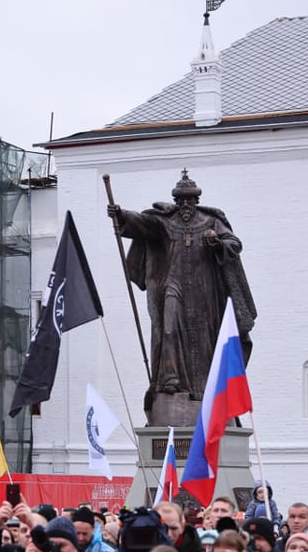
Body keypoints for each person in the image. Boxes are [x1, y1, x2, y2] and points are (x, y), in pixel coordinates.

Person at [107, 170, 256, 423]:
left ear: (196, 201)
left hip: (204, 291)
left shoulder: (210, 221)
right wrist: (121, 215)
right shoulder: (167, 220)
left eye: (190, 200)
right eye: (181, 201)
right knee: (168, 329)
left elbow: (234, 242)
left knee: (204, 339)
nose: (185, 205)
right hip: (172, 285)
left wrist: (218, 243)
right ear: (176, 202)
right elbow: (142, 223)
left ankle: (205, 388)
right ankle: (170, 380)